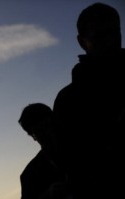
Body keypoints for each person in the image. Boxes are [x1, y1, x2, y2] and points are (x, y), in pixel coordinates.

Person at [52, 3, 125, 198]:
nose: (110, 41)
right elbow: (74, 167)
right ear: (82, 42)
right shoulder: (68, 101)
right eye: (99, 36)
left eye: (114, 33)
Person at [18, 103, 70, 199]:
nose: (46, 133)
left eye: (47, 125)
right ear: (33, 135)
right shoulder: (28, 175)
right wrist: (47, 196)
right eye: (39, 130)